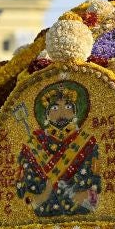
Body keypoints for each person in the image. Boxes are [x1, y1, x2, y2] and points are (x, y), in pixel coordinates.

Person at [16, 81, 101, 216]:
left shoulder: (86, 142)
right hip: (44, 212)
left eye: (67, 107)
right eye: (55, 109)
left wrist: (80, 194)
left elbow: (95, 184)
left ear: (75, 112)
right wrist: (45, 193)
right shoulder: (33, 145)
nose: (61, 112)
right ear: (46, 115)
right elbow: (27, 193)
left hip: (79, 212)